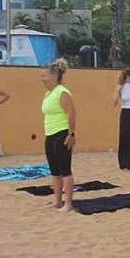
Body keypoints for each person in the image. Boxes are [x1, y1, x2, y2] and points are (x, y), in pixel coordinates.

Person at [40, 59, 78, 212]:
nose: (42, 79)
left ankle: (68, 203)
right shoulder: (48, 93)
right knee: (54, 171)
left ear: (55, 76)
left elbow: (72, 113)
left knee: (65, 170)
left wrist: (71, 134)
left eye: (45, 76)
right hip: (50, 134)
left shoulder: (62, 92)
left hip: (62, 134)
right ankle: (57, 201)